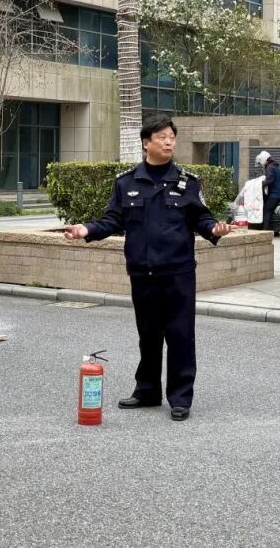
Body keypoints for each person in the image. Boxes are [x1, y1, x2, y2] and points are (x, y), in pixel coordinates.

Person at [63, 116, 231, 422]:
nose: (169, 142)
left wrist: (214, 229)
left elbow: (202, 218)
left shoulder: (187, 182)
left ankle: (180, 397)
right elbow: (112, 220)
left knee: (180, 335)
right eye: (162, 137)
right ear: (146, 143)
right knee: (149, 335)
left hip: (178, 273)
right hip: (143, 273)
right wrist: (86, 230)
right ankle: (148, 390)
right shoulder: (126, 182)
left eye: (172, 137)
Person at [255, 150, 280, 234]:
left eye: (260, 162)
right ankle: (275, 231)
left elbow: (270, 180)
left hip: (276, 194)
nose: (260, 164)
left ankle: (265, 231)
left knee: (266, 210)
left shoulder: (269, 167)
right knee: (271, 210)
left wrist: (260, 184)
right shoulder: (274, 166)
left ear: (264, 160)